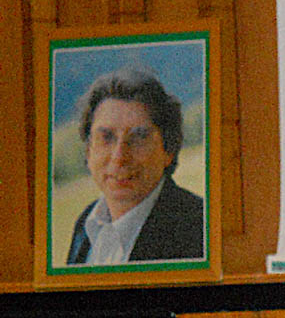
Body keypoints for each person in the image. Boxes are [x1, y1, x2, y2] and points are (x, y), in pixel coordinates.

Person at [66, 66, 204, 264]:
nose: (119, 157)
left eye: (139, 137)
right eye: (107, 137)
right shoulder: (85, 224)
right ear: (88, 151)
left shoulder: (199, 227)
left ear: (168, 150)